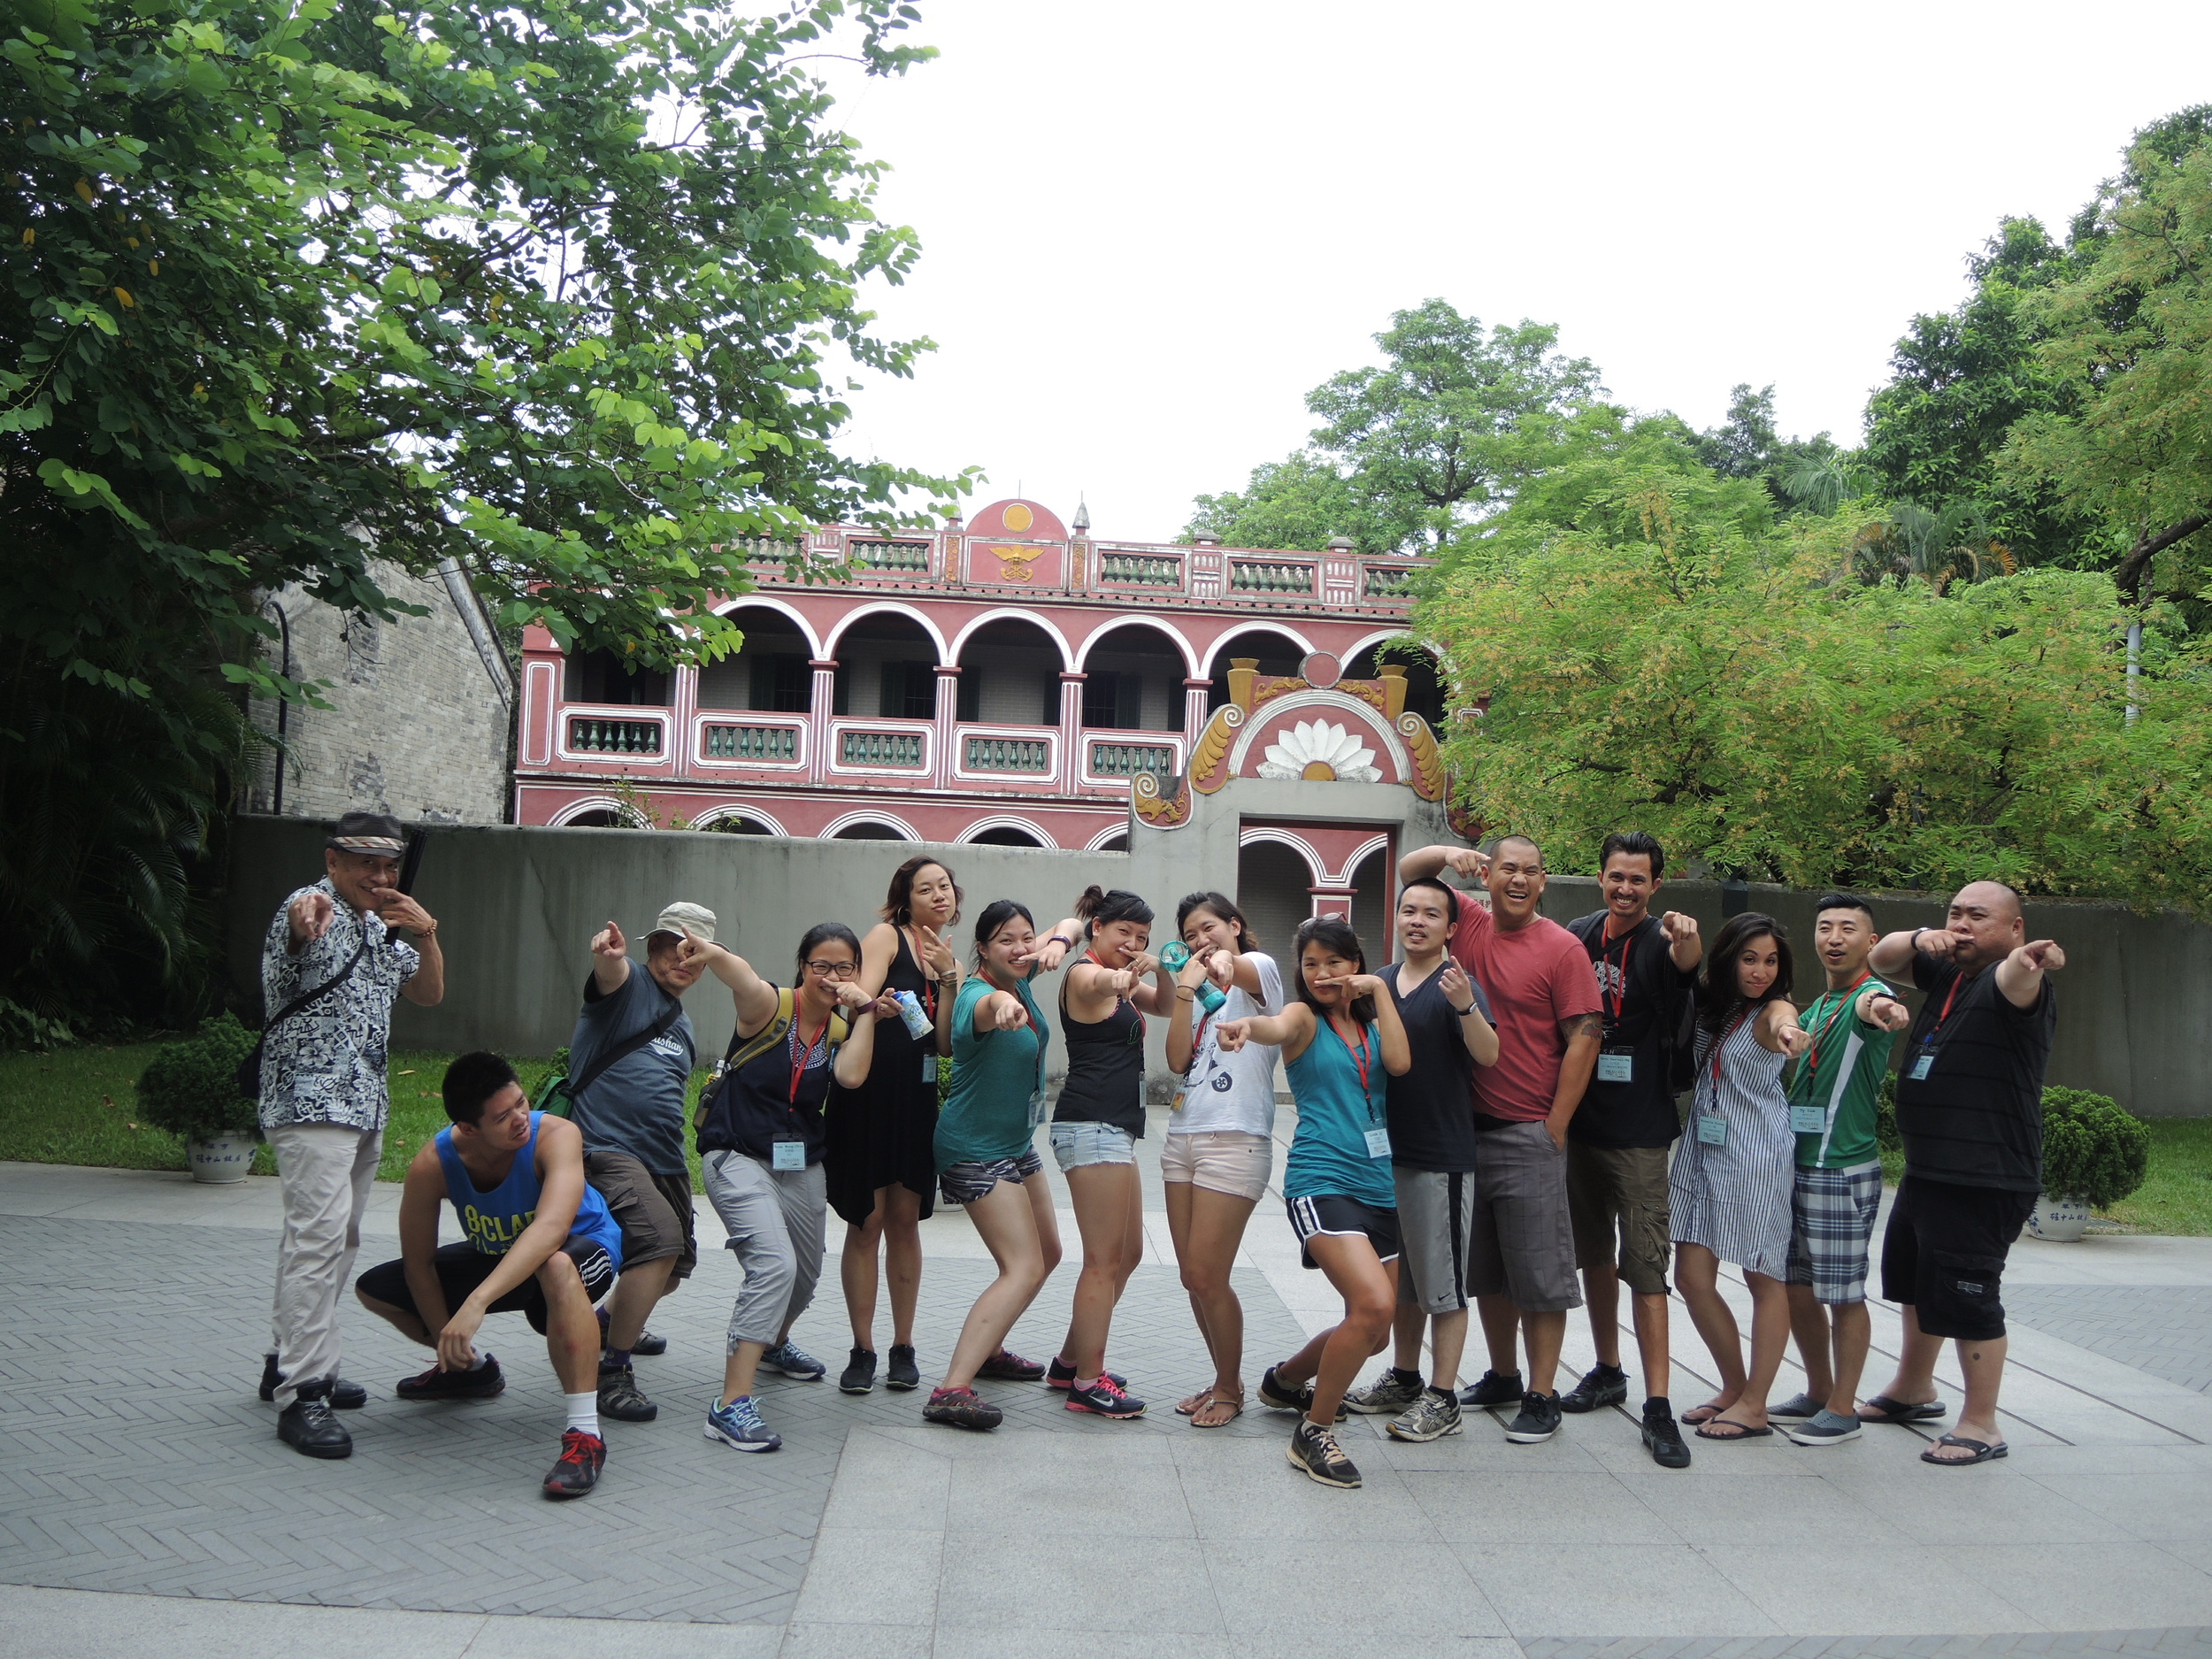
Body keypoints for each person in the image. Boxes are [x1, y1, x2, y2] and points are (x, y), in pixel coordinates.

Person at [1398, 836, 1601, 1448]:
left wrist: (1556, 1125)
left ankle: (1543, 1392)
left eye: (1529, 871)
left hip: (1528, 1129)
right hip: (1465, 1130)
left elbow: (1585, 1036)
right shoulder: (1471, 924)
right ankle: (1504, 1374)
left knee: (1539, 1273)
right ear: (1487, 877)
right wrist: (1443, 850)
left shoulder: (1562, 948)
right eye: (1506, 868)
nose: (1517, 879)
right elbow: (1412, 874)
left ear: (1543, 882)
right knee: (1486, 1268)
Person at [257, 810, 444, 1459]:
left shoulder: (382, 924)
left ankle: (286, 1359)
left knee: (332, 1240)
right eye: (365, 862)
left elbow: (428, 992)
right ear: (333, 860)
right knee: (319, 1240)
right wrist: (304, 918)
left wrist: (426, 933)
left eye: (388, 863)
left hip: (363, 1107)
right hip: (311, 1103)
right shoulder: (310, 904)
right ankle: (305, 1390)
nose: (380, 874)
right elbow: (299, 924)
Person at [354, 1052, 624, 1498]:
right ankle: (470, 1371)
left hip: (580, 1249)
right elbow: (418, 1263)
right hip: (501, 1258)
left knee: (554, 1265)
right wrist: (447, 1334)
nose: (521, 1118)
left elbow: (550, 1230)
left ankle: (585, 1436)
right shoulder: (432, 1166)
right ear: (468, 1128)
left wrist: (476, 1303)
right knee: (378, 1289)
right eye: (503, 1116)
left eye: (521, 1102)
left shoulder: (556, 1135)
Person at [1862, 881, 2062, 1467]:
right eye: (1955, 912)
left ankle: (1982, 1422)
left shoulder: (2014, 980)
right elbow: (1882, 958)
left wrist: (2030, 963)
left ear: (2015, 928)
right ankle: (1913, 1387)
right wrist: (1927, 936)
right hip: (1930, 1168)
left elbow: (2019, 979)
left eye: (1980, 915)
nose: (1964, 923)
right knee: (1914, 1280)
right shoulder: (1950, 968)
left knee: (1970, 1295)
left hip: (1983, 1173)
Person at [685, 923, 882, 1452]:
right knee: (774, 1265)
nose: (833, 977)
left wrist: (864, 1013)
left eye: (845, 968)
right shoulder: (770, 1007)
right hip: (738, 1155)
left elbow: (851, 1078)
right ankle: (730, 1405)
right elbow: (740, 977)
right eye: (821, 965)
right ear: (803, 968)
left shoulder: (844, 1028)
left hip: (799, 1163)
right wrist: (713, 952)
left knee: (806, 1272)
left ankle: (772, 1342)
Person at [1230, 917, 1412, 1488]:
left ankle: (1284, 1380)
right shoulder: (1304, 1018)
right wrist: (1244, 1028)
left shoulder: (1375, 1021)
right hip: (1322, 1179)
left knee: (1375, 1327)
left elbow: (1402, 1064)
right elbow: (1275, 1022)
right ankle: (1314, 1428)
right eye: (1312, 964)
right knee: (1374, 1305)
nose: (1323, 973)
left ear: (1355, 962)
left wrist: (1381, 991)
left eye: (1334, 961)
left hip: (1380, 1184)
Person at [1559, 831, 1701, 1470]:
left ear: (1656, 885)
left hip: (1641, 1129)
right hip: (1581, 1122)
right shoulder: (1580, 933)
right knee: (1592, 1256)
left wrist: (1687, 938)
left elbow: (1688, 964)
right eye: (1616, 876)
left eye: (1637, 879)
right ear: (1600, 876)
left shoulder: (1662, 940)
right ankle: (1607, 1368)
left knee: (1645, 1265)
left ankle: (1659, 1404)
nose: (1625, 888)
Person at [1342, 879, 1500, 1443]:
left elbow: (1489, 1055)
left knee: (1444, 1283)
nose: (1417, 921)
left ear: (1451, 929)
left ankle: (1443, 1395)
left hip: (1440, 1155)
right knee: (1404, 1278)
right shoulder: (1379, 982)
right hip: (1384, 1158)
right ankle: (1405, 1379)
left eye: (1431, 914)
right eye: (1408, 910)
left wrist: (1465, 1007)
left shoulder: (1460, 984)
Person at [566, 902, 718, 1425]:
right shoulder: (627, 988)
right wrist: (611, 959)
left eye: (694, 952)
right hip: (606, 1148)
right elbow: (611, 974)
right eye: (670, 946)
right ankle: (612, 1369)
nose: (682, 960)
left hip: (665, 1158)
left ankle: (605, 1322)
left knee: (673, 1268)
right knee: (658, 1242)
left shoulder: (683, 1023)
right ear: (649, 947)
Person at [1770, 895, 1914, 1447]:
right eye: (1825, 927)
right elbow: (1791, 1028)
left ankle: (1843, 1407)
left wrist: (1888, 1010)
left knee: (1844, 1294)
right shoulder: (1821, 1003)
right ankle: (1817, 1389)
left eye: (1848, 929)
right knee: (1798, 1288)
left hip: (1841, 1170)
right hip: (1798, 1164)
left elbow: (1878, 1009)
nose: (1834, 937)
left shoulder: (1866, 996)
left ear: (1871, 943)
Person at [921, 900, 1065, 1429]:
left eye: (1027, 936)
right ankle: (951, 1388)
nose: (1021, 948)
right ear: (982, 948)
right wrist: (1004, 1008)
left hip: (1015, 1143)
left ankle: (991, 1350)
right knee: (1022, 1266)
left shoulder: (1022, 973)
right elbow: (988, 1012)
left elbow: (1068, 923)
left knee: (1047, 1254)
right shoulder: (982, 995)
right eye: (1007, 939)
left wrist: (1055, 943)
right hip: (973, 1147)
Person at [1670, 913, 1812, 1442]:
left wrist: (1791, 1035)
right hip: (1701, 1154)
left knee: (1762, 1276)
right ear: (1729, 959)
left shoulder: (1775, 1007)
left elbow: (1784, 1025)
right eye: (1750, 959)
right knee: (1691, 1277)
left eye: (1771, 960)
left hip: (1756, 1156)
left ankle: (1756, 1404)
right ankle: (1734, 1386)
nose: (1760, 971)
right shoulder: (1722, 1005)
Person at [832, 856, 964, 1396]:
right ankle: (862, 1348)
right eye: (925, 888)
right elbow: (851, 995)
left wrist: (950, 977)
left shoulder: (947, 955)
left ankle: (902, 1346)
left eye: (945, 887)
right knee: (867, 1221)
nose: (938, 895)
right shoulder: (887, 936)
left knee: (906, 1221)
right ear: (905, 898)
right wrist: (873, 1003)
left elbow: (944, 1043)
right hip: (868, 1094)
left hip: (915, 1098)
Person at [1044, 885, 1171, 1417]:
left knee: (1130, 1253)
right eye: (1125, 932)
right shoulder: (1084, 973)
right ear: (1097, 928)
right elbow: (1100, 980)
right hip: (1090, 1123)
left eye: (1141, 936)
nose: (1132, 942)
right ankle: (1089, 1383)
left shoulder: (1127, 982)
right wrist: (1120, 975)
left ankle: (1070, 1363)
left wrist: (1156, 966)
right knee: (1102, 1261)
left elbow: (1165, 1004)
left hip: (1114, 1127)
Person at [1161, 891, 1284, 1429]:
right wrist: (1185, 989)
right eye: (1189, 935)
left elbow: (1243, 969)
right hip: (1183, 1136)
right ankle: (1220, 1379)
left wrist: (1219, 963)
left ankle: (1232, 1388)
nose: (1199, 940)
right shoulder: (1201, 992)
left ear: (1234, 925)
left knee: (1210, 1273)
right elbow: (1174, 1061)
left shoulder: (1261, 971)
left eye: (1208, 927)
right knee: (1192, 1276)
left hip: (1235, 1140)